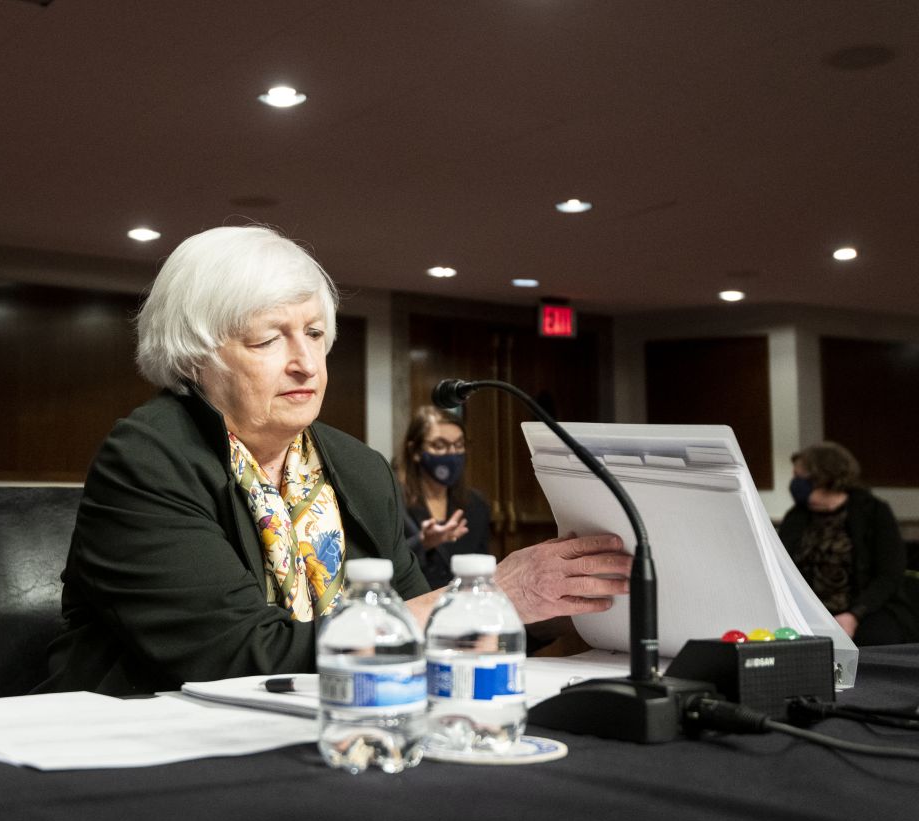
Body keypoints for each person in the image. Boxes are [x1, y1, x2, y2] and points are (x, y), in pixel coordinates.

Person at [37, 226, 631, 697]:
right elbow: (236, 657)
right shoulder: (150, 456)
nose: (306, 363)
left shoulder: (358, 468)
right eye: (269, 340)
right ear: (195, 358)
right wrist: (491, 595)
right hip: (141, 754)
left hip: (324, 728)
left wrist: (561, 614)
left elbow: (414, 619)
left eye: (315, 334)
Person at [778, 441, 917, 646]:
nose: (795, 483)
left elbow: (889, 574)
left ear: (823, 476)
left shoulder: (873, 512)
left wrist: (854, 614)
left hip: (868, 609)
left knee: (874, 639)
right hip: (811, 611)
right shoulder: (796, 517)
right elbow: (781, 568)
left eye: (800, 477)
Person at [398, 405, 492, 589]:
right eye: (439, 446)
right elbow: (386, 562)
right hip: (413, 603)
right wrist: (423, 542)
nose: (451, 453)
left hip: (462, 606)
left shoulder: (476, 504)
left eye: (459, 445)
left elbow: (483, 569)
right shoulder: (394, 500)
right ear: (415, 451)